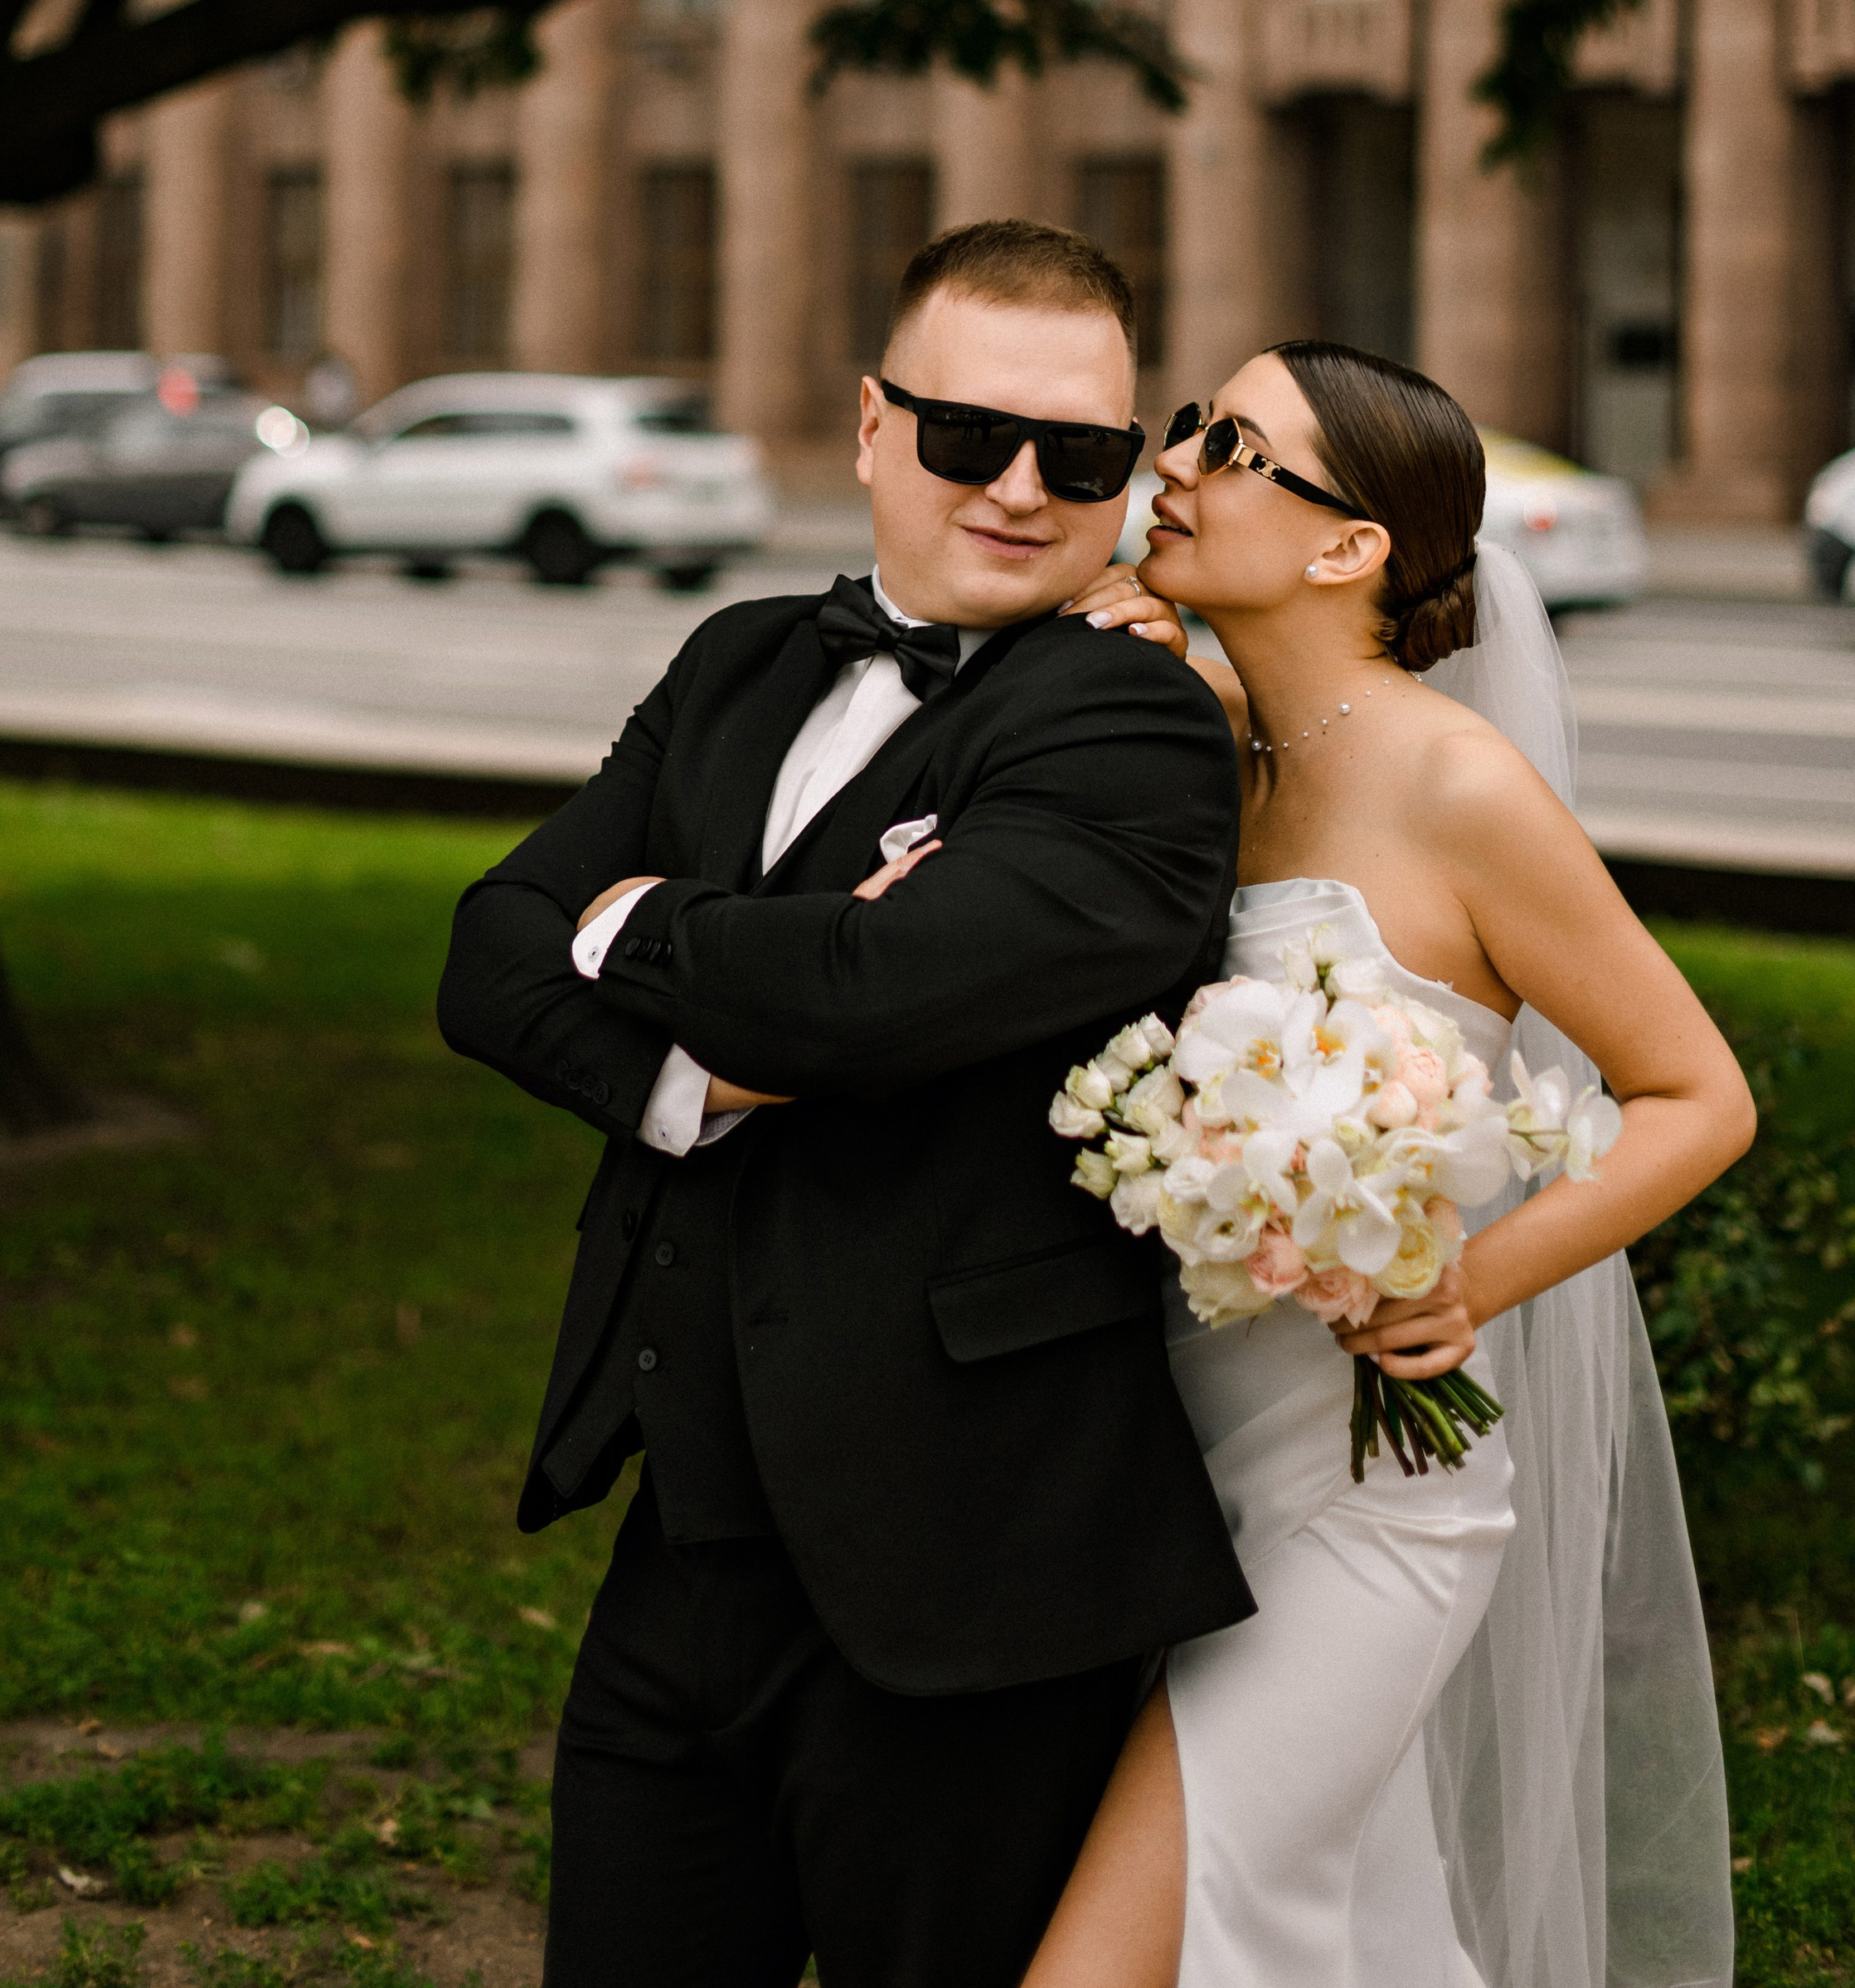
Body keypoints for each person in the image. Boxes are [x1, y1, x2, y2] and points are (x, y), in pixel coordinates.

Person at [435, 220, 1255, 1988]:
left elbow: (870, 1001)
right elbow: (485, 956)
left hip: (976, 1575)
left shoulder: (1134, 721)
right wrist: (693, 1077)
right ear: (873, 427)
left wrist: (637, 919)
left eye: (1085, 457)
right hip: (683, 1542)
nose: (1023, 490)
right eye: (969, 436)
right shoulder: (740, 656)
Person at [1014, 340, 1755, 1988]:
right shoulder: (1214, 745)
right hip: (1176, 1484)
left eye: (1231, 446)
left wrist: (1466, 1280)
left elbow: (1696, 1094)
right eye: (1190, 426)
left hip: (1363, 1509)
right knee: (1338, 1941)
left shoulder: (1454, 785)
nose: (1177, 462)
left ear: (1348, 548)